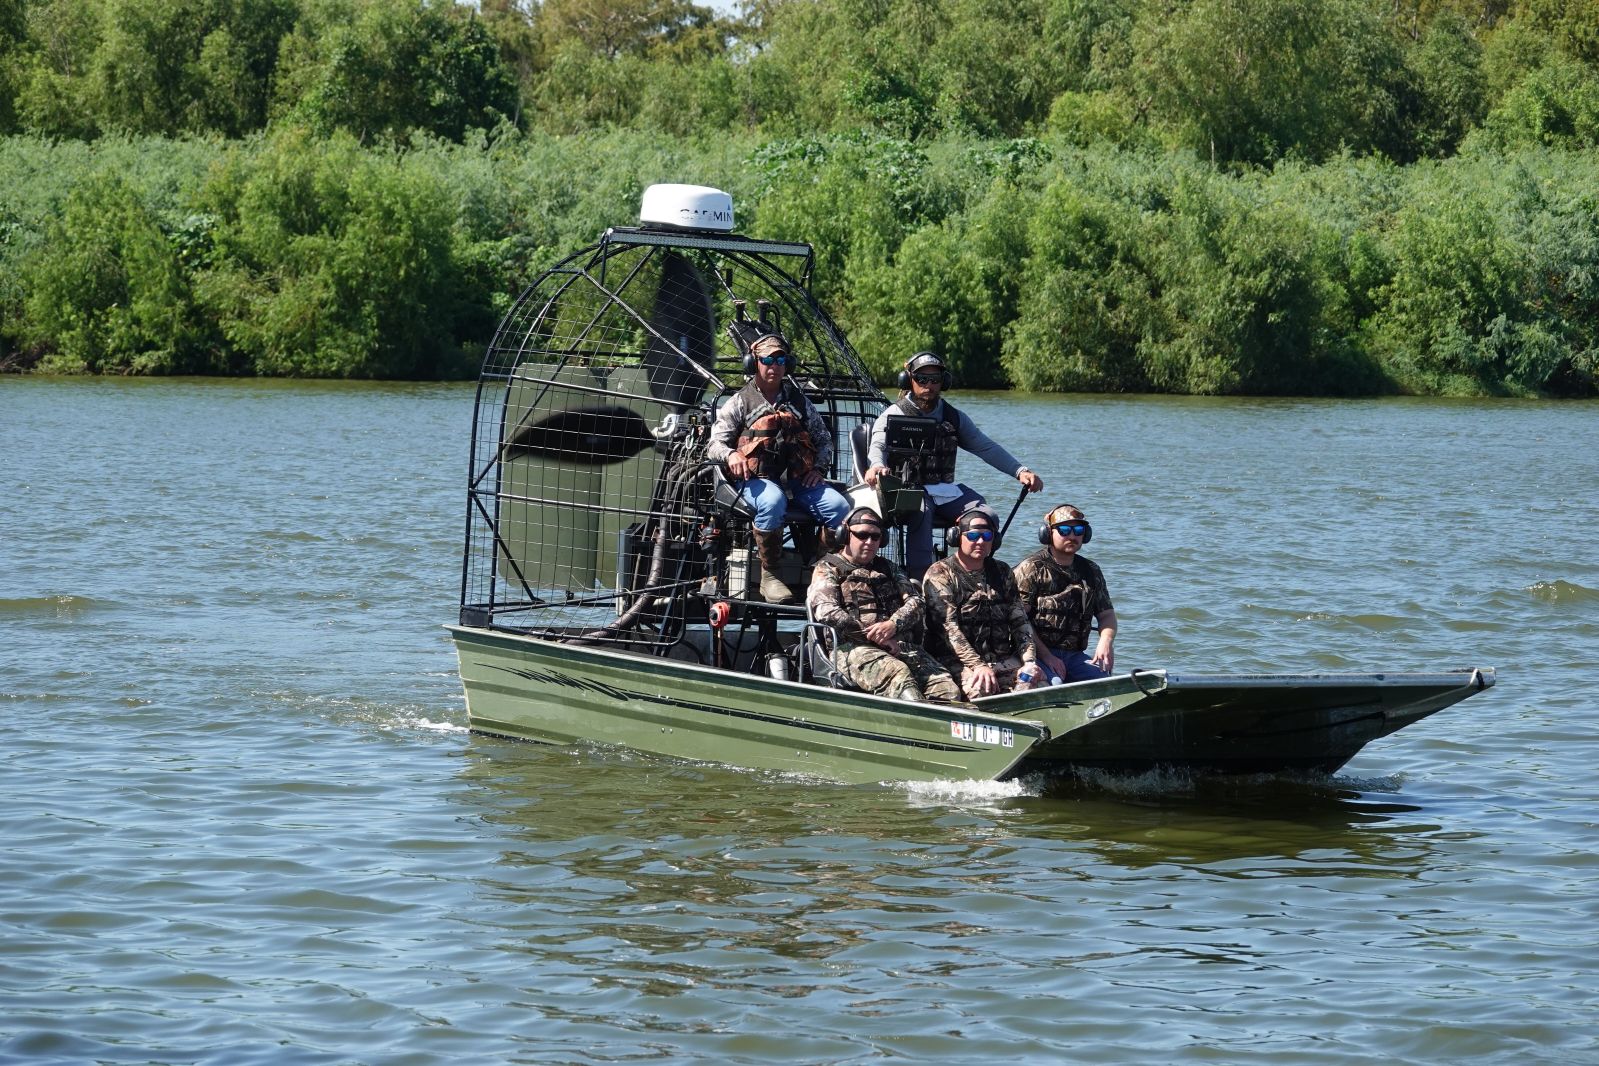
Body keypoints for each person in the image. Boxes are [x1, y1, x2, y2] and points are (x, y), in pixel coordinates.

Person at [861, 351, 1044, 578]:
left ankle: (970, 572)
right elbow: (878, 445)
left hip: (943, 489)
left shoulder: (954, 417)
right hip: (907, 490)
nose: (929, 385)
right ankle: (921, 580)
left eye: (935, 379)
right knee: (921, 511)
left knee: (986, 516)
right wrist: (877, 465)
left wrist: (1020, 471)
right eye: (922, 379)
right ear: (909, 381)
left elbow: (985, 446)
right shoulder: (894, 413)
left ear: (944, 382)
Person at [708, 330, 851, 603]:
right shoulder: (740, 402)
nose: (774, 366)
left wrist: (817, 470)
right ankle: (770, 575)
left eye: (780, 360)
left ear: (788, 365)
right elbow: (715, 443)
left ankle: (821, 571)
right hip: (754, 480)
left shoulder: (799, 402)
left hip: (798, 481)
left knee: (839, 507)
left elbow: (824, 441)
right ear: (754, 363)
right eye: (767, 360)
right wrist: (731, 456)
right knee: (772, 501)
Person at [806, 507, 963, 703]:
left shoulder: (889, 568)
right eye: (862, 535)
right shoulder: (827, 568)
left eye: (875, 537)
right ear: (846, 535)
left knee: (946, 687)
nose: (869, 542)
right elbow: (827, 612)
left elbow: (916, 602)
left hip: (900, 645)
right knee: (898, 675)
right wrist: (874, 637)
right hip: (851, 649)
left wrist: (893, 625)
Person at [921, 504, 1040, 697]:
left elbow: (1020, 620)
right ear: (957, 537)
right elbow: (949, 630)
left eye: (987, 536)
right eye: (973, 536)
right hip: (957, 662)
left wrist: (1029, 661)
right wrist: (978, 665)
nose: (980, 542)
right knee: (981, 689)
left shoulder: (1002, 572)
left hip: (1002, 659)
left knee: (1038, 684)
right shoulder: (940, 573)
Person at [1015, 503, 1118, 683]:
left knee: (1105, 682)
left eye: (1078, 530)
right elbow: (1019, 620)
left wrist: (1106, 641)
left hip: (1074, 655)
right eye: (1064, 530)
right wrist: (1047, 656)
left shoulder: (1091, 570)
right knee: (1055, 684)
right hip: (1037, 653)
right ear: (1048, 533)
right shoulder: (1031, 568)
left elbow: (1107, 614)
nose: (1072, 536)